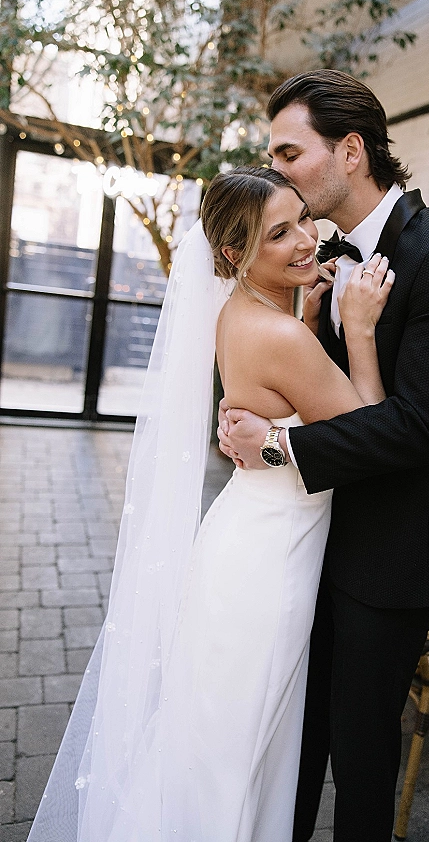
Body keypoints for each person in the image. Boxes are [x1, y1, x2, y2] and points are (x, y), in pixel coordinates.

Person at [27, 166, 395, 842]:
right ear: (234, 253)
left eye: (303, 220)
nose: (307, 240)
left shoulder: (241, 315)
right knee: (238, 742)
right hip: (269, 561)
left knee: (213, 735)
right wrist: (361, 329)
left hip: (245, 537)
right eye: (278, 233)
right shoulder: (281, 335)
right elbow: (373, 436)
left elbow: (283, 405)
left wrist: (307, 322)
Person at [217, 70, 429, 841]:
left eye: (287, 153)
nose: (275, 171)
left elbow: (419, 429)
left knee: (361, 754)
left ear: (349, 151)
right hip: (309, 543)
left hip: (391, 556)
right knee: (295, 739)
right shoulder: (316, 257)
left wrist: (277, 446)